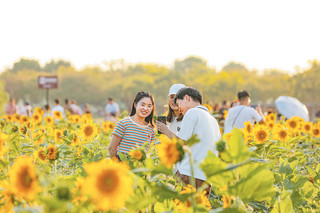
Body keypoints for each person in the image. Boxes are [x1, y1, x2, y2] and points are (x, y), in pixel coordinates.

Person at [157, 87, 221, 193]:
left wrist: (166, 130)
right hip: (206, 178)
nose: (179, 109)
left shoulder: (192, 113)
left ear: (187, 98)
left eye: (179, 104)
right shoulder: (213, 120)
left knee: (180, 207)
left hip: (189, 174)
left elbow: (181, 142)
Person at [108, 92, 156, 159]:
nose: (145, 108)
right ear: (135, 105)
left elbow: (151, 153)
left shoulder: (151, 130)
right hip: (123, 165)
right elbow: (111, 148)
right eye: (143, 105)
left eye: (149, 106)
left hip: (140, 168)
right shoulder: (123, 123)